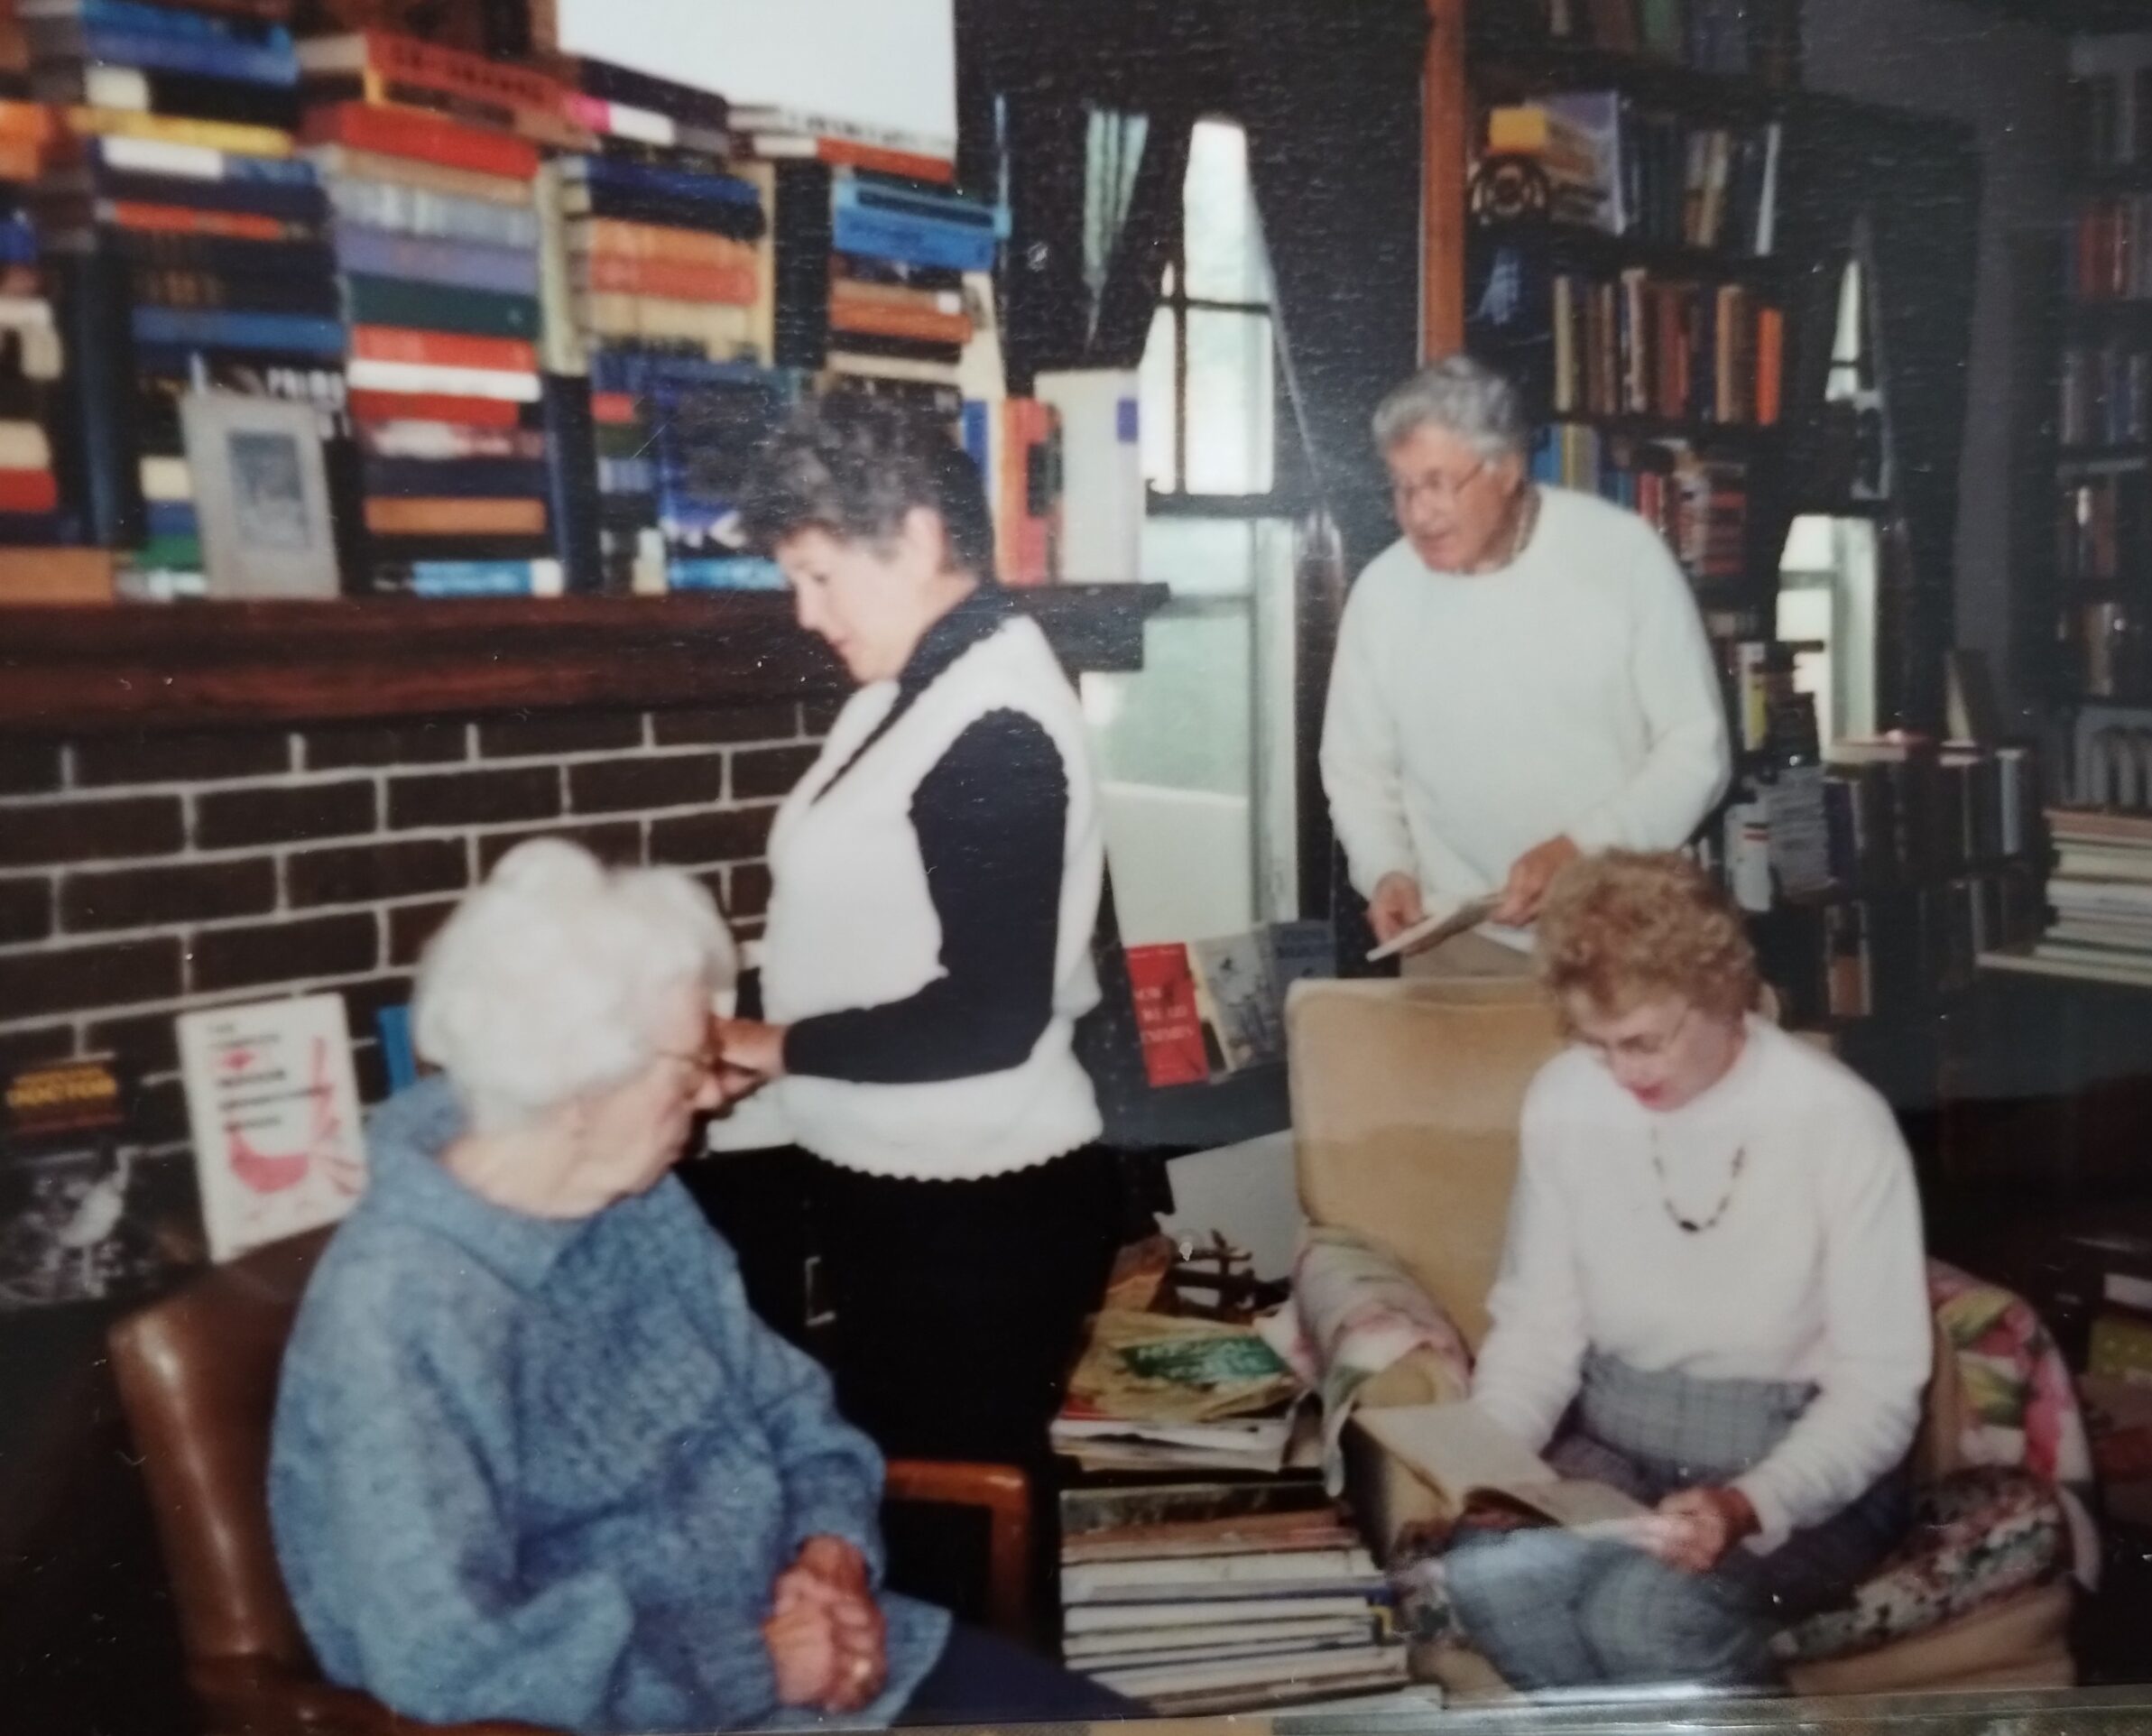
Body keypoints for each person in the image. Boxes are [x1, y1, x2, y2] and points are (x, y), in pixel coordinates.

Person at [268, 842, 1137, 1733]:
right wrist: (758, 1663)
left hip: (834, 1656)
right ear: (580, 1092)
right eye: (690, 1067)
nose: (715, 1096)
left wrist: (830, 1556)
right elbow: (449, 1660)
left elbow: (793, 1413)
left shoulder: (634, 1200)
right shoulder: (398, 1309)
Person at [710, 396, 1127, 1466]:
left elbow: (989, 1015)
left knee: (954, 1516)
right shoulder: (906, 693)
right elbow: (857, 934)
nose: (806, 613)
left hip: (975, 1210)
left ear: (917, 537)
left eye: (819, 575)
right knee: (914, 1500)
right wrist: (742, 1031)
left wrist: (772, 1045)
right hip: (898, 1188)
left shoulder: (996, 726)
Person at [1433, 851, 1931, 1688]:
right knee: (1493, 1578)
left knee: (1640, 1618)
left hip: (1798, 1456)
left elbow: (1879, 1391)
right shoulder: (1565, 1098)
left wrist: (1748, 1504)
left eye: (1645, 1042)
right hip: (1613, 1442)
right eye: (1598, 1046)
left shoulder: (1840, 1121)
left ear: (1719, 993)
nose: (1624, 1073)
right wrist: (1494, 1463)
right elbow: (1538, 1329)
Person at [1319, 356, 1732, 976]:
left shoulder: (1622, 556)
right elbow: (1356, 770)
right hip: (1458, 941)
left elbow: (1697, 749)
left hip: (1626, 931)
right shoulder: (1383, 592)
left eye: (1438, 483)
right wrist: (1386, 869)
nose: (1418, 513)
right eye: (1402, 487)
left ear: (1507, 468)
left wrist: (1581, 851)